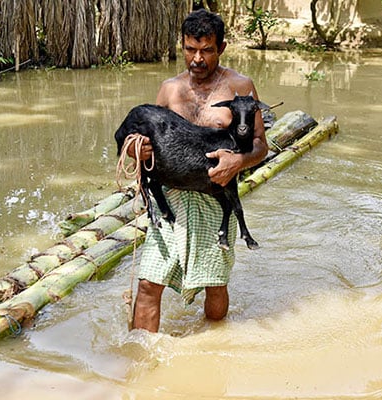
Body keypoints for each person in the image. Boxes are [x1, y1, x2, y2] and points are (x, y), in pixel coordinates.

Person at [128, 8, 268, 333]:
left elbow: (261, 144)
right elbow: (148, 137)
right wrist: (139, 149)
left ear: (222, 47)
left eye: (206, 50)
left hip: (214, 196)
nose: (197, 59)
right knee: (149, 282)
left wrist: (238, 161)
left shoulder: (240, 87)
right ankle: (138, 361)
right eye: (190, 49)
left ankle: (214, 344)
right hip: (170, 197)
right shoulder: (169, 90)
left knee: (214, 283)